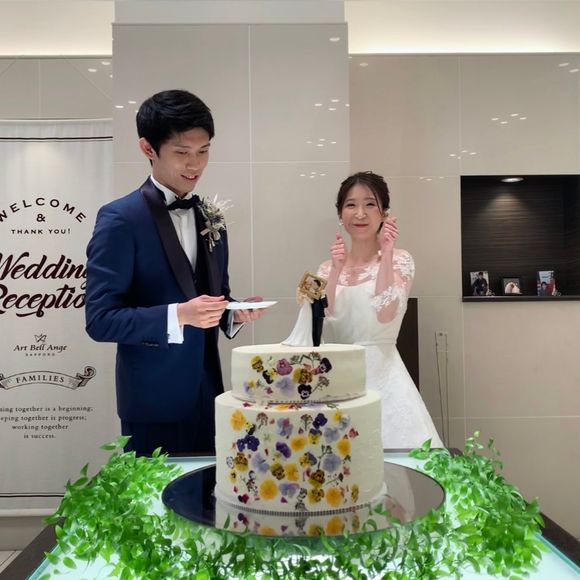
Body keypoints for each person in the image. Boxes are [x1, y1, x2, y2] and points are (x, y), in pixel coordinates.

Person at [85, 89, 265, 456]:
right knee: (158, 496)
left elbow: (214, 295)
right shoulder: (120, 219)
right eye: (182, 153)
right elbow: (100, 320)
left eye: (204, 151)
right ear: (147, 148)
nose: (195, 165)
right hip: (152, 404)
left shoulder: (212, 216)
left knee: (209, 493)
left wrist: (233, 313)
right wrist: (179, 315)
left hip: (210, 398)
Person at [318, 171, 443, 449]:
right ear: (340, 214)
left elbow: (386, 313)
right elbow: (324, 319)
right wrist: (336, 271)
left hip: (386, 380)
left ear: (384, 212)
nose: (360, 213)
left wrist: (386, 253)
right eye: (351, 205)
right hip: (338, 379)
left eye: (370, 204)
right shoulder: (327, 269)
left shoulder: (400, 260)